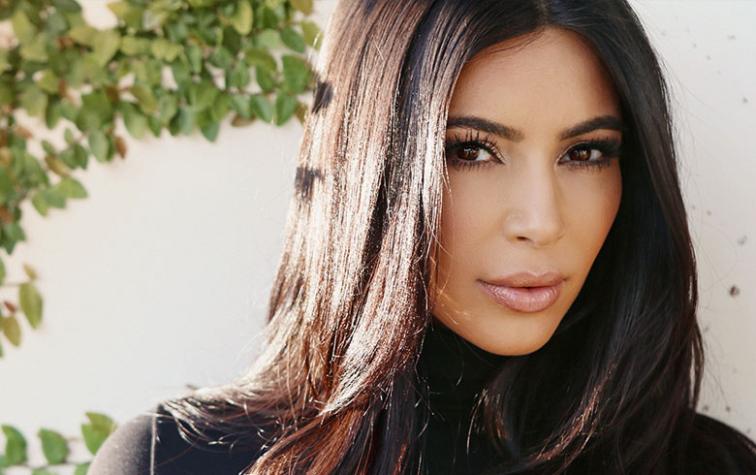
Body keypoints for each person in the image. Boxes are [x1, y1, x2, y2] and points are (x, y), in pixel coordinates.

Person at [90, 0, 756, 473]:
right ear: (371, 165)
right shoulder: (176, 461)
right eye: (470, 150)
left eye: (585, 153)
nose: (541, 221)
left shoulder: (708, 464)